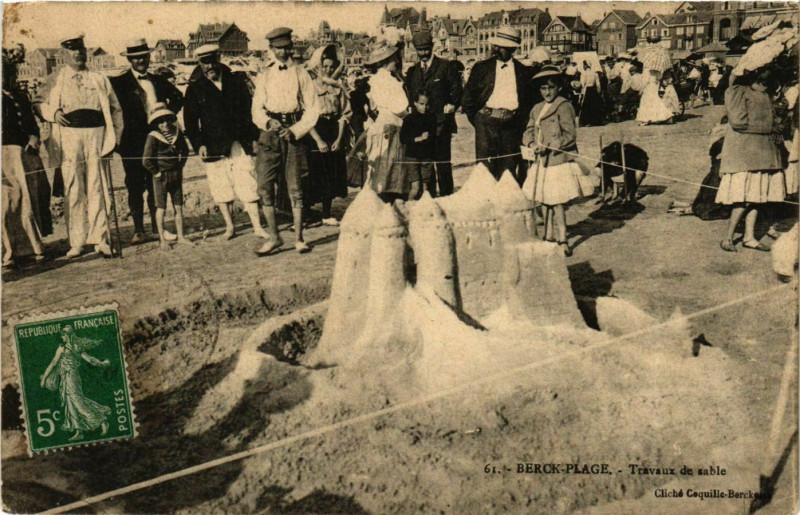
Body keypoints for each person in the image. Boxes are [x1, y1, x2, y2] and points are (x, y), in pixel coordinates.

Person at [35, 34, 123, 259]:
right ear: (64, 54)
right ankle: (77, 241)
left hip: (97, 136)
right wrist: (52, 113)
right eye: (72, 50)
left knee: (97, 187)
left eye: (81, 50)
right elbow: (37, 103)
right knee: (73, 189)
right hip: (69, 138)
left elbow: (116, 110)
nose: (78, 54)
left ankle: (101, 239)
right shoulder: (56, 78)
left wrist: (114, 140)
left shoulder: (99, 78)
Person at [183, 44, 268, 242]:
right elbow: (190, 122)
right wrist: (199, 145)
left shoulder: (236, 80)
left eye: (212, 60)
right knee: (220, 185)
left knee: (247, 180)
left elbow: (250, 111)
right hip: (212, 144)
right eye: (205, 62)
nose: (210, 65)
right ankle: (230, 227)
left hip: (239, 141)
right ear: (199, 63)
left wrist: (253, 138)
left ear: (219, 57)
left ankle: (257, 226)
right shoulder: (195, 88)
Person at [252, 28, 319, 255]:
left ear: (291, 47)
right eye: (278, 48)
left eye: (286, 47)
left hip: (293, 133)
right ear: (271, 49)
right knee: (263, 186)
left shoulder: (301, 73)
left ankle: (299, 238)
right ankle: (274, 237)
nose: (283, 52)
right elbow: (256, 108)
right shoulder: (265, 73)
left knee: (296, 187)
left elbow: (312, 109)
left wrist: (296, 130)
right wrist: (267, 122)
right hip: (270, 134)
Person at [110, 38, 184, 244]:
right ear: (130, 60)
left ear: (149, 57)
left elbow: (178, 98)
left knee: (155, 183)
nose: (141, 61)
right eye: (135, 58)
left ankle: (156, 227)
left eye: (144, 56)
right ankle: (138, 230)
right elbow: (110, 110)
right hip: (131, 143)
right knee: (134, 185)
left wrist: (167, 118)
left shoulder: (158, 80)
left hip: (157, 141)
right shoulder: (119, 83)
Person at [717, 68, 785, 252]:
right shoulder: (739, 92)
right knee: (744, 199)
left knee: (757, 198)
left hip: (763, 154)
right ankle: (728, 238)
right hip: (745, 154)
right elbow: (739, 122)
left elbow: (773, 120)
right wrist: (770, 127)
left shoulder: (765, 95)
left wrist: (776, 128)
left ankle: (749, 237)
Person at [522, 66, 584, 257]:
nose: (547, 92)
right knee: (543, 199)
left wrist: (549, 145)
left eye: (551, 88)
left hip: (557, 160)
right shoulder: (537, 108)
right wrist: (532, 143)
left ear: (558, 88)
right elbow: (529, 130)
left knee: (556, 201)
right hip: (540, 160)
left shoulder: (564, 106)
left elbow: (570, 135)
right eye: (543, 89)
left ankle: (563, 239)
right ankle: (548, 236)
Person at [462, 26, 534, 182]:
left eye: (502, 47)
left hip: (511, 126)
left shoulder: (524, 72)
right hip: (485, 123)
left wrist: (518, 123)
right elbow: (467, 99)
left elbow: (528, 103)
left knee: (508, 169)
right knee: (484, 170)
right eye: (496, 45)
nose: (496, 49)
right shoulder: (481, 68)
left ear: (512, 49)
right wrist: (478, 121)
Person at [2, 43, 47, 268]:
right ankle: (8, 251)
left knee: (27, 200)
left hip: (22, 153)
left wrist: (33, 136)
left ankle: (31, 247)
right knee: (7, 203)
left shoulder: (19, 95)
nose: (6, 76)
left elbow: (30, 123)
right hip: (3, 154)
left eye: (9, 71)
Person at [405, 30, 462, 197]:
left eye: (425, 49)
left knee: (443, 165)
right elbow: (410, 97)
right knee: (425, 165)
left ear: (432, 47)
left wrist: (451, 105)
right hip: (421, 127)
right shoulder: (413, 72)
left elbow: (457, 91)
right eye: (419, 50)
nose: (422, 53)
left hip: (441, 125)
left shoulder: (445, 67)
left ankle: (447, 199)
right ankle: (428, 199)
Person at [305, 44, 351, 226]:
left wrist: (339, 139)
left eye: (332, 67)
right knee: (314, 172)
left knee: (332, 171)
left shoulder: (339, 87)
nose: (328, 70)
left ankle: (326, 213)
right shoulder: (310, 86)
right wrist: (318, 139)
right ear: (318, 65)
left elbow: (344, 114)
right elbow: (306, 116)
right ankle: (308, 213)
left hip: (334, 129)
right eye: (325, 66)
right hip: (316, 129)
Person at [40, 325, 111, 442]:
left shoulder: (74, 347)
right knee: (70, 403)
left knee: (78, 402)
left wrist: (102, 363)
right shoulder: (62, 348)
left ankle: (101, 420)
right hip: (64, 378)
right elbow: (53, 364)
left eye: (63, 334)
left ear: (68, 335)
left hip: (72, 377)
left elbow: (89, 359)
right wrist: (44, 379)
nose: (61, 337)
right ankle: (79, 431)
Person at [364, 42, 415, 203]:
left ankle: (383, 195)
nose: (396, 62)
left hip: (383, 121)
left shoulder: (378, 78)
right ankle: (388, 197)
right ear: (386, 61)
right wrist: (410, 116)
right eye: (394, 59)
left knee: (383, 163)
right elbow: (399, 106)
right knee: (390, 163)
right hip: (392, 122)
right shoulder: (387, 80)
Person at [142, 103, 192, 250]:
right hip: (161, 177)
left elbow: (186, 151)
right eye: (160, 121)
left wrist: (180, 165)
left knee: (178, 206)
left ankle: (181, 236)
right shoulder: (153, 137)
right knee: (161, 208)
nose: (164, 124)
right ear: (156, 123)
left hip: (176, 174)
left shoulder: (177, 132)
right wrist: (157, 172)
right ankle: (162, 240)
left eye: (166, 120)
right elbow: (146, 160)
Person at [400, 89, 437, 200]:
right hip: (412, 156)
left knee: (426, 188)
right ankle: (408, 210)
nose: (424, 107)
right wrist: (418, 138)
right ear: (415, 103)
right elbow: (403, 139)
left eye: (427, 104)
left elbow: (434, 137)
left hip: (427, 156)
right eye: (421, 104)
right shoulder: (409, 119)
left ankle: (422, 211)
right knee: (415, 188)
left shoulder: (432, 117)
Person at [578, 61, 604, 126]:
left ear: (586, 66)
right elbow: (598, 84)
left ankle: (586, 122)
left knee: (586, 106)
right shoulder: (595, 73)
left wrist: (581, 92)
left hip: (586, 90)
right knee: (594, 106)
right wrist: (598, 92)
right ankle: (595, 121)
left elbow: (582, 83)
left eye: (584, 65)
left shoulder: (584, 73)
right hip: (593, 90)